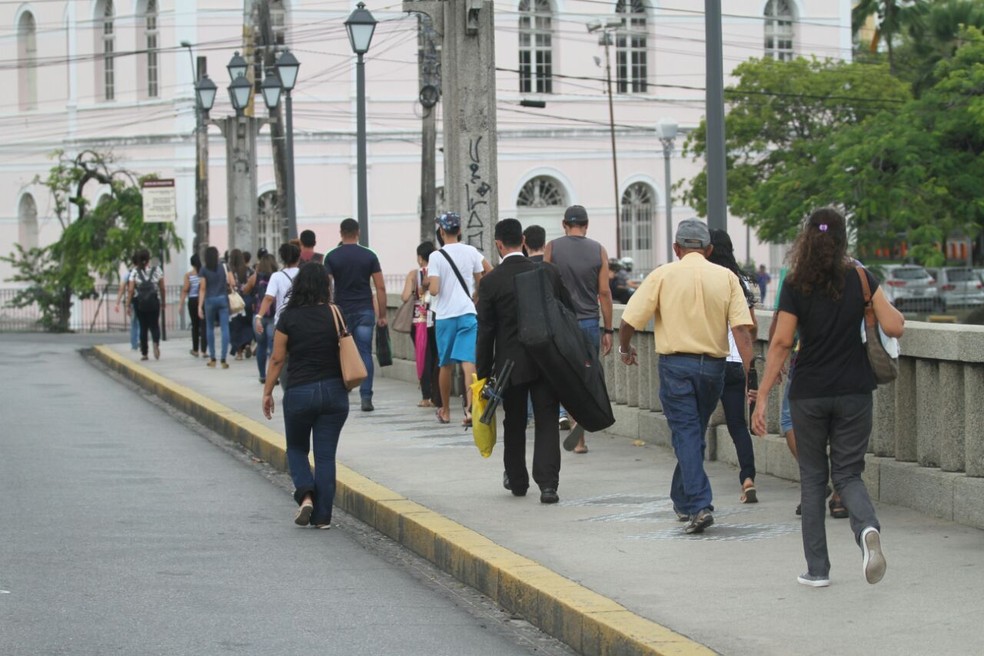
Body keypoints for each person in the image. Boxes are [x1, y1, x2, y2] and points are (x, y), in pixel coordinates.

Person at [752, 208, 904, 587]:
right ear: (842, 239)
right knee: (848, 473)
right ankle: (867, 529)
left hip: (809, 394)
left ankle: (817, 570)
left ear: (806, 238)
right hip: (854, 390)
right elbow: (894, 325)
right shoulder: (860, 277)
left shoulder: (796, 281)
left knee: (813, 478)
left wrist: (763, 397)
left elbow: (783, 341)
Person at [618, 219, 754, 535]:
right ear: (707, 249)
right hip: (714, 370)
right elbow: (742, 331)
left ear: (677, 249)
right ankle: (682, 499)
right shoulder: (727, 278)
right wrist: (753, 373)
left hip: (676, 366)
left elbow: (628, 320)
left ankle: (698, 505)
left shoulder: (662, 275)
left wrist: (625, 347)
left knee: (688, 433)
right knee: (692, 432)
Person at [477, 219, 573, 504]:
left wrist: (483, 373)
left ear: (498, 244)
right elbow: (566, 313)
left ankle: (517, 480)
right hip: (546, 361)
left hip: (510, 365)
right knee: (546, 420)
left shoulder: (491, 281)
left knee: (514, 421)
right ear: (522, 239)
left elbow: (486, 332)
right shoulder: (547, 272)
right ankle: (548, 485)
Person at [262, 262, 348, 530]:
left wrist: (267, 392)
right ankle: (323, 518)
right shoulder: (335, 313)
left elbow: (277, 359)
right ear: (326, 285)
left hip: (299, 391)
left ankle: (306, 494)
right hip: (334, 392)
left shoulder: (288, 317)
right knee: (325, 457)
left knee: (297, 449)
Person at [544, 205, 614, 453]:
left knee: (565, 375)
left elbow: (544, 284)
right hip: (588, 323)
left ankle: (569, 417)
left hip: (561, 323)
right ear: (586, 224)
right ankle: (581, 432)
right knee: (588, 375)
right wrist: (608, 330)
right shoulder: (599, 250)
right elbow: (604, 292)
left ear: (564, 224)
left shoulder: (552, 248)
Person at [707, 229, 759, 503]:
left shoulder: (705, 279)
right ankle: (748, 478)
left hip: (708, 359)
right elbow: (752, 327)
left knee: (694, 421)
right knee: (738, 424)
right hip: (736, 362)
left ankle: (692, 480)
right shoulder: (741, 282)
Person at [427, 212, 492, 425]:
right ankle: (470, 410)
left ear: (442, 231)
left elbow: (435, 290)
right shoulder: (471, 251)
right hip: (467, 312)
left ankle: (445, 411)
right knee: (468, 363)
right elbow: (486, 273)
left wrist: (429, 282)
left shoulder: (436, 257)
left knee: (445, 364)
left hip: (445, 317)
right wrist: (476, 295)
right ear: (460, 230)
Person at [324, 219, 389, 412]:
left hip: (341, 312)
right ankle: (366, 397)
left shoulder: (331, 256)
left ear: (341, 233)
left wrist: (328, 308)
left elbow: (327, 287)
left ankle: (341, 392)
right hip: (365, 310)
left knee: (340, 352)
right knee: (365, 353)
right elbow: (380, 286)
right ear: (358, 232)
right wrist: (382, 314)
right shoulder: (369, 256)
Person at [256, 243, 302, 385]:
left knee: (282, 358)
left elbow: (269, 298)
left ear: (282, 258)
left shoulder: (276, 276)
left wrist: (259, 316)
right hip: (301, 320)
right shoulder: (304, 273)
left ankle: (287, 388)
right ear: (298, 257)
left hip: (282, 322)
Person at [401, 241, 439, 408]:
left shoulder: (413, 274)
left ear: (420, 257)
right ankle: (438, 395)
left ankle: (426, 396)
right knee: (437, 356)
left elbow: (404, 297)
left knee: (424, 356)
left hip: (419, 321)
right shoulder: (438, 272)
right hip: (438, 318)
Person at [243, 253, 279, 383]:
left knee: (261, 346)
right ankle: (273, 376)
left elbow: (245, 290)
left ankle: (262, 375)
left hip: (258, 316)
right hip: (272, 316)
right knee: (273, 348)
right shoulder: (277, 277)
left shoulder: (255, 277)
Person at [198, 245, 235, 369]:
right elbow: (232, 282)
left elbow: (202, 288)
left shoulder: (203, 270)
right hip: (222, 299)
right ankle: (223, 359)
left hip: (209, 300)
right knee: (225, 328)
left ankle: (213, 358)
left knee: (209, 328)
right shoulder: (224, 266)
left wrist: (199, 306)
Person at [126, 249, 165, 361]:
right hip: (154, 301)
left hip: (140, 302)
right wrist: (163, 301)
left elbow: (131, 290)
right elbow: (162, 287)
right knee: (154, 325)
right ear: (148, 259)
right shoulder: (157, 270)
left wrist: (128, 304)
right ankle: (156, 343)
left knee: (143, 326)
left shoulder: (134, 272)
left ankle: (144, 353)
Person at [178, 253, 207, 357]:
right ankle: (204, 350)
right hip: (203, 300)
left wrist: (180, 304)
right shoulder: (204, 273)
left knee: (195, 325)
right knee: (204, 325)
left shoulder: (188, 275)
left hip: (193, 300)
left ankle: (195, 349)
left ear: (191, 263)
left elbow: (185, 289)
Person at [228, 249, 253, 360]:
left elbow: (229, 285)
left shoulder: (231, 272)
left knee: (235, 327)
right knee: (247, 324)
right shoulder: (249, 271)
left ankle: (239, 353)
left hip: (235, 301)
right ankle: (247, 344)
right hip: (247, 299)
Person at [114, 254, 140, 351]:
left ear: (133, 262)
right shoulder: (144, 272)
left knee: (134, 323)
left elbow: (121, 289)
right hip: (143, 301)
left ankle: (134, 344)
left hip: (132, 301)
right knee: (142, 322)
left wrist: (118, 303)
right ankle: (141, 340)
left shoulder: (128, 274)